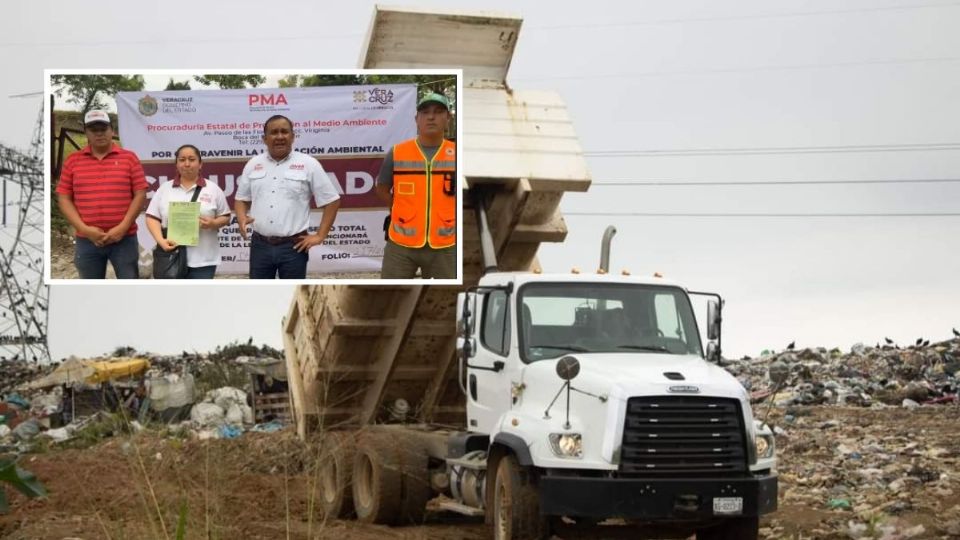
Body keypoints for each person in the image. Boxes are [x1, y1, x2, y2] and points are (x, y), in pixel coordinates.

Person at [234, 115, 341, 279]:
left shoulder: (309, 164)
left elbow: (332, 200)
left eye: (284, 132)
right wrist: (241, 217)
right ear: (264, 138)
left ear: (293, 136)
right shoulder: (253, 164)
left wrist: (320, 236)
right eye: (273, 132)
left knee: (292, 290)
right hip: (259, 246)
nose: (279, 137)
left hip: (294, 246)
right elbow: (241, 199)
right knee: (258, 294)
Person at [56, 110, 147, 279]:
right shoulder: (73, 160)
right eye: (93, 130)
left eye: (103, 129)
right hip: (87, 240)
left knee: (130, 288)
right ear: (86, 133)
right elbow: (64, 198)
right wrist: (85, 229)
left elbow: (140, 193)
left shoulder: (129, 158)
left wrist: (122, 227)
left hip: (124, 239)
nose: (99, 134)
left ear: (112, 131)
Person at [375, 92, 457, 279]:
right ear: (416, 119)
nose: (431, 117)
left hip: (446, 246)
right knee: (389, 296)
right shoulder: (397, 152)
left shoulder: (459, 155)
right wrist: (401, 209)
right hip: (400, 246)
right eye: (425, 112)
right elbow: (382, 189)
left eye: (438, 112)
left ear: (448, 118)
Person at [145, 144, 231, 278]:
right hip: (171, 256)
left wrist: (213, 224)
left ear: (200, 164)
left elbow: (225, 216)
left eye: (191, 159)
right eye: (182, 159)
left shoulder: (213, 189)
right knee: (172, 299)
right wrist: (161, 241)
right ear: (176, 164)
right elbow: (152, 217)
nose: (187, 164)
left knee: (200, 298)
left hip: (203, 260)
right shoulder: (165, 189)